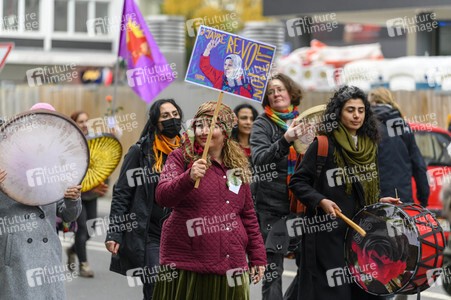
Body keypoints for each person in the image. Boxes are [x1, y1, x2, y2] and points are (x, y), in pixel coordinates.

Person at [288, 86, 400, 300]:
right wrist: (321, 200)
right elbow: (297, 182)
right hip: (327, 238)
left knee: (363, 293)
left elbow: (363, 189)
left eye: (361, 110)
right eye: (350, 110)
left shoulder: (369, 146)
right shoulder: (323, 144)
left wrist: (378, 201)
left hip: (360, 239)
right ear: (338, 112)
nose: (356, 115)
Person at [153, 101, 266, 300]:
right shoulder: (181, 157)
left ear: (225, 132)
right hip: (188, 262)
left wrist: (257, 257)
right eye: (199, 125)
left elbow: (248, 214)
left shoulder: (236, 165)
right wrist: (188, 177)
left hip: (232, 262)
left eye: (211, 125)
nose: (203, 131)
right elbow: (162, 196)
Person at [0, 103, 82, 300]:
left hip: (47, 251)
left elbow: (68, 215)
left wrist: (73, 199)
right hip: (16, 250)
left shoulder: (58, 163)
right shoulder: (4, 153)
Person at [105, 99, 183, 300]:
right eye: (165, 116)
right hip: (150, 233)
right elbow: (122, 192)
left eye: (175, 114)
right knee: (156, 286)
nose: (172, 119)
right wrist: (115, 232)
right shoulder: (140, 152)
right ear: (155, 122)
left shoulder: (189, 152)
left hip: (181, 233)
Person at [250, 73, 307, 300]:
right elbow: (260, 160)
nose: (275, 94)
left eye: (280, 89)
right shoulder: (261, 124)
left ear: (291, 93)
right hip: (271, 209)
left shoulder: (304, 120)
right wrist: (285, 140)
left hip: (302, 206)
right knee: (273, 273)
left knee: (310, 268)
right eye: (271, 92)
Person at [369, 87, 429, 207]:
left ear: (374, 103)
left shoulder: (368, 127)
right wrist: (423, 199)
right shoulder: (403, 126)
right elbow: (419, 167)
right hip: (404, 199)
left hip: (378, 200)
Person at [66, 111, 109, 277]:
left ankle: (72, 249)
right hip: (75, 195)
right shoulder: (69, 143)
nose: (84, 124)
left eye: (86, 121)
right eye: (80, 121)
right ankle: (83, 265)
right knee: (82, 228)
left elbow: (104, 164)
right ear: (74, 123)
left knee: (91, 230)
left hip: (91, 193)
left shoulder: (96, 142)